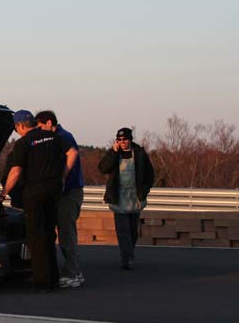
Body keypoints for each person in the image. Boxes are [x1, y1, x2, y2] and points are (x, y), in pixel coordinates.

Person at [0, 110, 78, 291]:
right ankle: (54, 278)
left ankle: (42, 281)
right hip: (54, 190)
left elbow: (16, 172)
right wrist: (62, 177)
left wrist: (3, 193)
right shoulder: (53, 137)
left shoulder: (23, 143)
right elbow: (73, 152)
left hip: (34, 193)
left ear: (20, 126)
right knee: (50, 234)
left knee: (36, 237)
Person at [35, 110, 85, 288]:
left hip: (69, 192)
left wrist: (62, 178)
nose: (40, 130)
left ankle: (73, 272)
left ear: (49, 123)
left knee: (66, 233)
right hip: (63, 192)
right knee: (64, 232)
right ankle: (75, 271)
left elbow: (72, 155)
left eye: (40, 126)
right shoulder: (58, 137)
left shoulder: (63, 137)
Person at [98, 127, 155, 270]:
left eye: (125, 139)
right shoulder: (114, 154)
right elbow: (103, 168)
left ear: (130, 139)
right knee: (122, 230)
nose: (122, 142)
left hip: (135, 196)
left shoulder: (140, 153)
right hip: (118, 196)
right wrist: (113, 152)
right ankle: (127, 257)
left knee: (132, 230)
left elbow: (150, 173)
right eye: (119, 140)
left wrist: (145, 190)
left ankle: (128, 253)